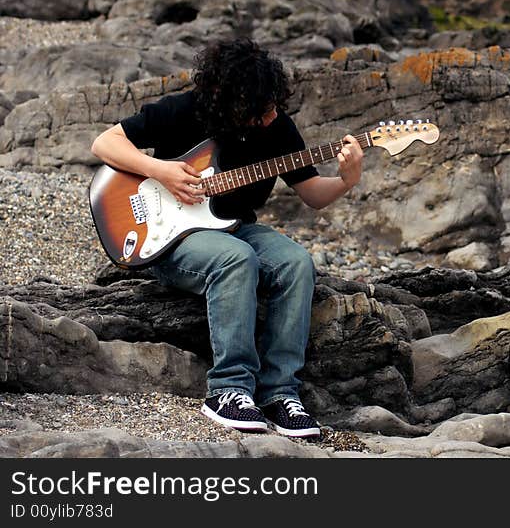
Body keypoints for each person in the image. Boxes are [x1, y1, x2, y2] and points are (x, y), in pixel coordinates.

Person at [90, 38, 363, 438]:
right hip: (166, 238)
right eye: (260, 108)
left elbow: (311, 194)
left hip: (231, 227)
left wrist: (346, 180)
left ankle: (279, 394)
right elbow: (105, 142)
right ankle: (229, 391)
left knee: (296, 262)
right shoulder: (187, 109)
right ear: (228, 98)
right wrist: (162, 171)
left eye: (273, 104)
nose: (270, 115)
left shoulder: (278, 127)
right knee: (237, 259)